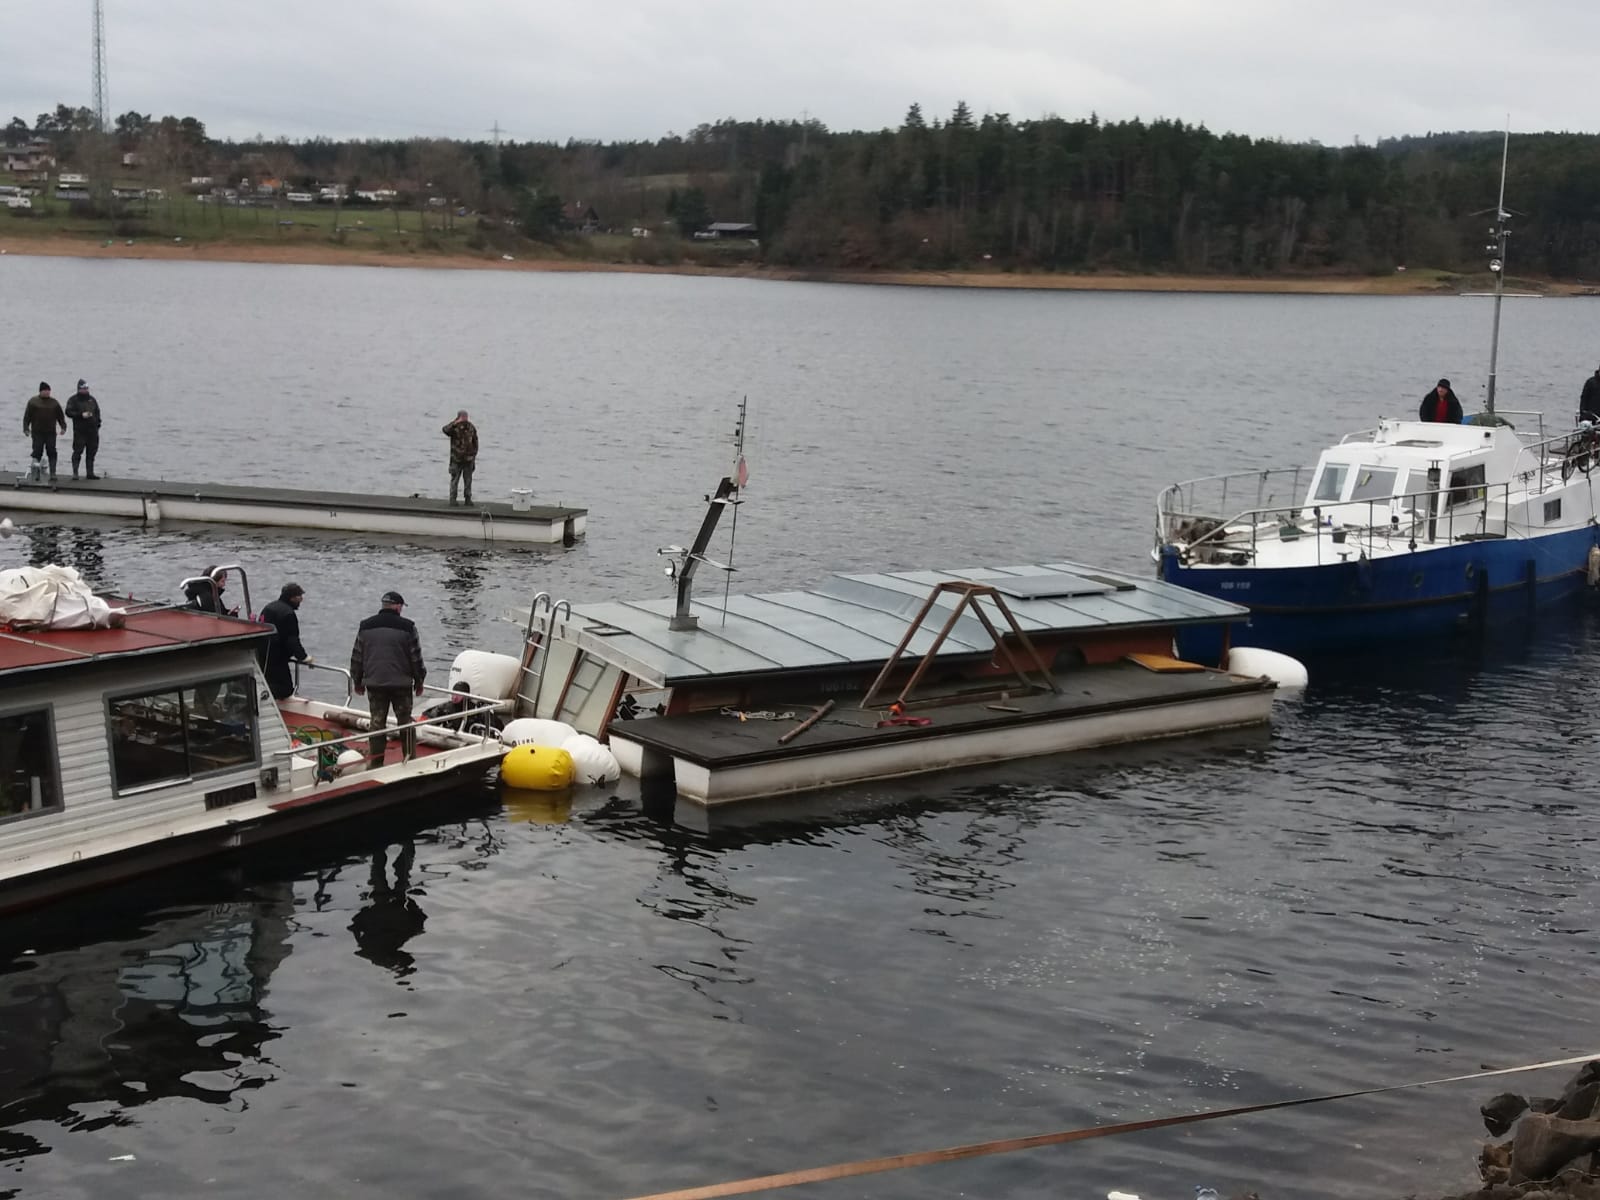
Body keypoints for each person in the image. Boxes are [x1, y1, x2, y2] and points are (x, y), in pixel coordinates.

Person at [350, 590, 426, 768]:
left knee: (377, 723)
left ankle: (376, 763)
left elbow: (357, 656)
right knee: (405, 721)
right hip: (401, 684)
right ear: (398, 606)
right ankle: (409, 759)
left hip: (375, 684)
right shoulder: (408, 627)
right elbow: (416, 657)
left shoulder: (366, 626)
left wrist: (357, 680)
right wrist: (419, 680)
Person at [259, 582, 310, 701]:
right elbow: (292, 639)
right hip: (277, 657)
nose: (301, 599)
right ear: (292, 597)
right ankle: (264, 699)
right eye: (299, 596)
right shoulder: (288, 614)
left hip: (262, 652)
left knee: (265, 681)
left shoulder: (269, 607)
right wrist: (303, 657)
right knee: (285, 688)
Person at [420, 679, 504, 734]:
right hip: (450, 737)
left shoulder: (476, 710)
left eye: (458, 695)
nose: (454, 697)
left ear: (465, 696)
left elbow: (496, 727)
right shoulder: (447, 707)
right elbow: (428, 716)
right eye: (453, 693)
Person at [22, 382, 66, 482]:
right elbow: (27, 417)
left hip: (50, 432)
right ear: (40, 391)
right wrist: (26, 429)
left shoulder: (54, 402)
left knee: (52, 451)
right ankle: (36, 473)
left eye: (48, 390)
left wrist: (63, 427)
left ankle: (53, 473)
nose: (47, 392)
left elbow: (60, 417)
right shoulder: (33, 402)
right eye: (45, 390)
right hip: (37, 432)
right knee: (37, 452)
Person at [65, 379, 102, 480]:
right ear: (78, 389)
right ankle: (75, 473)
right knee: (77, 451)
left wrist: (98, 424)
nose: (85, 390)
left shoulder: (92, 400)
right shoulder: (73, 400)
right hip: (80, 431)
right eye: (83, 388)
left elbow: (97, 412)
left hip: (93, 431)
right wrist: (81, 415)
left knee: (91, 452)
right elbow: (68, 412)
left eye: (86, 388)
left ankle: (90, 473)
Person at [441, 410, 478, 506]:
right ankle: (453, 499)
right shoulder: (454, 427)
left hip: (468, 459)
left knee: (468, 480)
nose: (465, 419)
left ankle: (468, 498)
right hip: (456, 459)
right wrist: (455, 422)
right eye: (463, 417)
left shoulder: (471, 427)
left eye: (466, 416)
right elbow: (445, 430)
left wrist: (473, 455)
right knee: (454, 480)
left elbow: (475, 442)